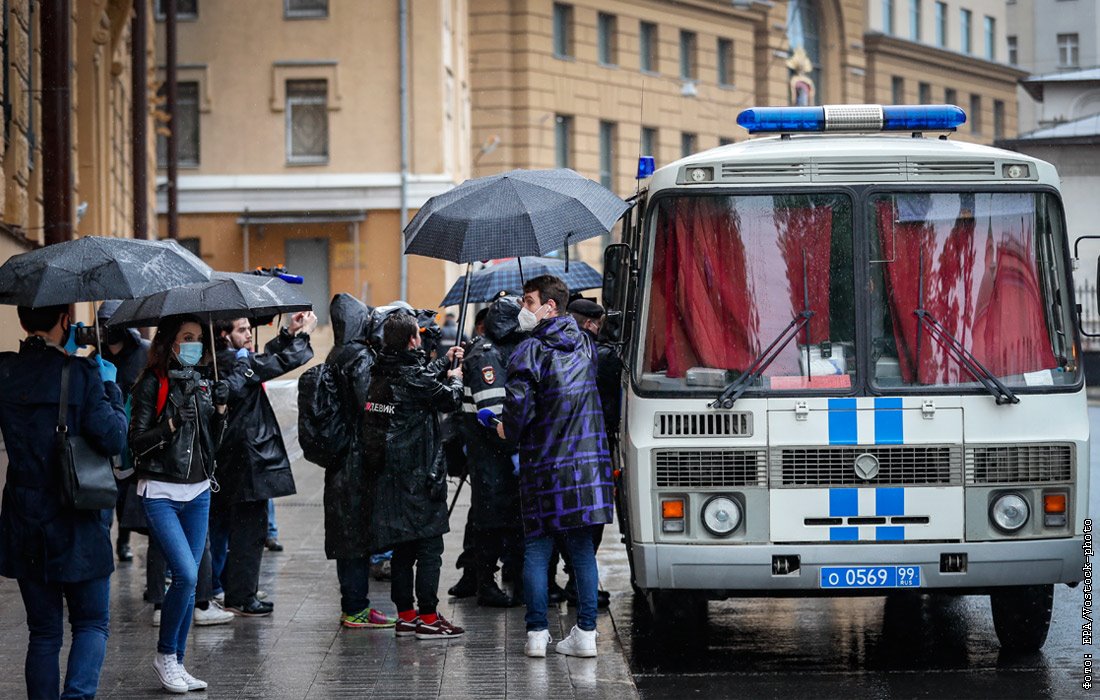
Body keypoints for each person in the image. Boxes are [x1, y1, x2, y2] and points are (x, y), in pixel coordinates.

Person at [0, 305, 128, 699]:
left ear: (22, 323)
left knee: (43, 632)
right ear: (65, 322)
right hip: (77, 518)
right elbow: (114, 439)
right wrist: (110, 387)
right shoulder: (84, 374)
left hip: (24, 518)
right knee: (90, 623)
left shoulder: (4, 372)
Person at [496, 275, 614, 659]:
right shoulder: (585, 344)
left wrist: (502, 428)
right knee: (581, 551)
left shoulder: (528, 350)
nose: (522, 310)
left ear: (549, 307)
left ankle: (536, 634)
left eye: (528, 302)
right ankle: (586, 634)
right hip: (586, 468)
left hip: (545, 467)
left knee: (536, 549)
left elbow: (517, 409)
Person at [129, 314, 229, 693]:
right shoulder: (152, 383)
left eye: (199, 339)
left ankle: (178, 662)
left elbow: (211, 446)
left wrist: (219, 411)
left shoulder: (203, 382)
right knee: (186, 575)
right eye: (187, 337)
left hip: (199, 492)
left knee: (192, 582)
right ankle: (165, 655)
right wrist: (170, 424)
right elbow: (137, 442)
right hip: (161, 492)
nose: (194, 345)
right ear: (170, 342)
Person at [364, 312, 466, 639]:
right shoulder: (410, 375)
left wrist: (443, 361)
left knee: (403, 550)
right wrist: (457, 377)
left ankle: (406, 616)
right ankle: (429, 617)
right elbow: (448, 399)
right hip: (420, 475)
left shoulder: (380, 370)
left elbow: (417, 378)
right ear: (412, 340)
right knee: (430, 549)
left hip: (390, 475)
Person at [212, 312, 315, 617]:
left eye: (248, 328)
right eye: (241, 329)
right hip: (246, 458)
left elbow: (263, 358)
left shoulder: (230, 360)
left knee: (238, 528)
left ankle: (234, 590)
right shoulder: (232, 363)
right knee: (249, 530)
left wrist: (287, 333)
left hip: (237, 457)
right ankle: (241, 596)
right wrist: (304, 335)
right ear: (224, 334)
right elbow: (277, 363)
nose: (248, 334)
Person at [322, 293, 396, 629]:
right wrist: (394, 410)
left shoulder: (335, 354)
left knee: (346, 534)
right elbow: (372, 405)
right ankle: (356, 608)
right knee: (356, 535)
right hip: (358, 459)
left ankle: (353, 605)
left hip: (341, 459)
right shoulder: (360, 357)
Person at [461, 296, 526, 607]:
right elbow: (493, 414)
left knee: (506, 517)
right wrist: (517, 443)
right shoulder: (486, 355)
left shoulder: (501, 349)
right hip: (490, 455)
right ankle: (484, 583)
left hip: (499, 456)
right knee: (489, 520)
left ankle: (500, 577)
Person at [93, 300, 151, 563]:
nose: (108, 330)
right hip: (107, 432)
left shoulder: (144, 353)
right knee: (111, 492)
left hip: (136, 434)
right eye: (103, 324)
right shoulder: (95, 358)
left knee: (131, 493)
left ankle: (124, 539)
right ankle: (112, 543)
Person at [448, 306, 490, 599]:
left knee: (484, 514)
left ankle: (479, 574)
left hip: (483, 451)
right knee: (482, 515)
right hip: (480, 449)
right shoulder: (476, 355)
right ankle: (474, 575)